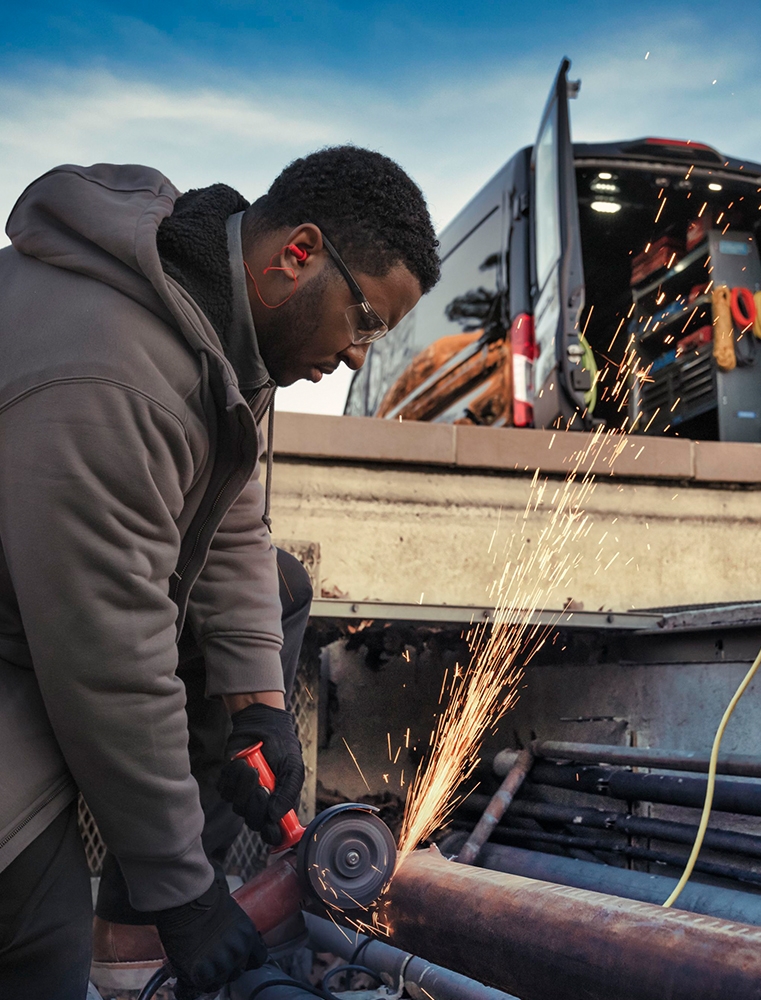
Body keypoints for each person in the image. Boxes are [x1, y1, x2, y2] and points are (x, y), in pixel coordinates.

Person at [0, 147, 441, 999]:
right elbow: (108, 663)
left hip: (40, 616)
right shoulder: (114, 378)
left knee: (281, 588)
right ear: (298, 255)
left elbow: (234, 523)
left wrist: (257, 707)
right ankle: (138, 929)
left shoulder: (226, 328)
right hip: (35, 646)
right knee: (37, 949)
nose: (357, 357)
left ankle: (130, 931)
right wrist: (187, 895)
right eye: (363, 321)